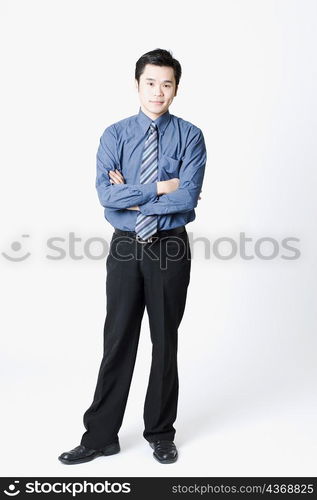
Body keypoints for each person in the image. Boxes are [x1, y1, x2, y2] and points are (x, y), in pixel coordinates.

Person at [58, 48, 207, 465]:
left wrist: (135, 198)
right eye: (150, 82)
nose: (158, 91)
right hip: (125, 246)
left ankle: (160, 432)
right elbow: (107, 197)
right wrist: (160, 189)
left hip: (170, 246)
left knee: (164, 340)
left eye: (166, 84)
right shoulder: (115, 135)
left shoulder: (190, 136)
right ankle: (101, 436)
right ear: (137, 83)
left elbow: (189, 196)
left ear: (176, 89)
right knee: (118, 339)